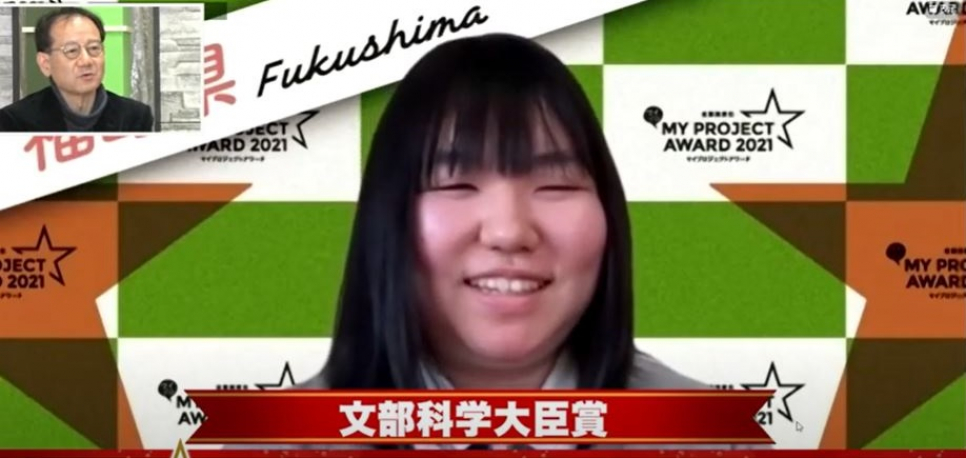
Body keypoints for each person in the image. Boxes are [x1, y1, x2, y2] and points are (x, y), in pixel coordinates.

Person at [233, 34, 768, 451]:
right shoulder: (282, 443)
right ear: (385, 216)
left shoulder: (706, 438)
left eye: (556, 185)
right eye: (456, 184)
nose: (509, 231)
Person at [0, 7, 154, 132]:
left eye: (94, 48)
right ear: (45, 64)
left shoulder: (135, 116)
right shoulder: (16, 121)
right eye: (72, 50)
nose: (86, 61)